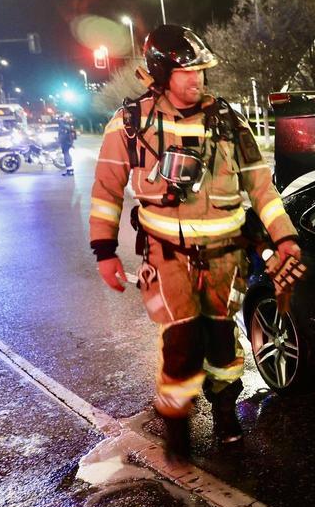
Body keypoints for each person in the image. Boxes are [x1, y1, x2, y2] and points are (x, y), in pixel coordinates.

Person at [89, 24, 301, 460]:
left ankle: (226, 415)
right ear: (160, 74)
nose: (197, 80)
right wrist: (105, 253)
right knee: (182, 344)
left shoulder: (227, 121)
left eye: (201, 71)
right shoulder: (129, 124)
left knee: (223, 343)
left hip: (226, 258)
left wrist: (284, 238)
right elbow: (106, 192)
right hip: (167, 259)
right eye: (186, 72)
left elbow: (261, 186)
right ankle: (177, 427)